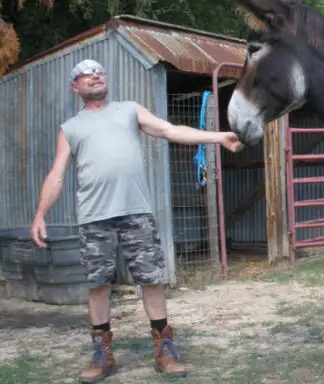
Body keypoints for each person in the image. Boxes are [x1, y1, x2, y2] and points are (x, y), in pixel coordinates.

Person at [29, 59, 245, 383]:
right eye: (86, 74)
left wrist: (218, 137)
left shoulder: (129, 110)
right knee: (98, 285)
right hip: (94, 218)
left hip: (136, 213)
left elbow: (169, 130)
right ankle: (101, 355)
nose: (95, 75)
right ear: (75, 87)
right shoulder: (70, 128)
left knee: (151, 280)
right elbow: (57, 175)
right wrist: (39, 214)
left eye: (99, 71)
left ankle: (165, 350)